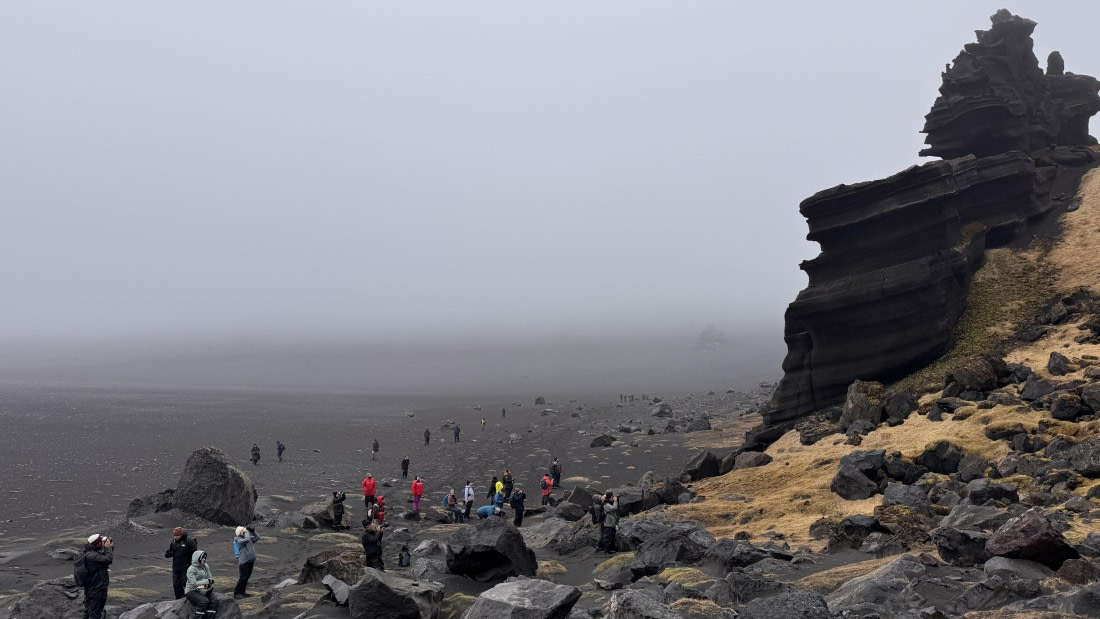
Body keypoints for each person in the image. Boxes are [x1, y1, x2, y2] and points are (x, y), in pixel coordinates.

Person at [81, 534, 113, 619]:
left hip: (91, 588)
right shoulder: (92, 556)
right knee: (95, 614)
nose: (103, 542)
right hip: (97, 589)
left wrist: (109, 547)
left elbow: (104, 556)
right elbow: (108, 559)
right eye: (101, 541)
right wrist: (108, 548)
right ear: (97, 543)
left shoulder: (89, 553)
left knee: (89, 612)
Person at [164, 526, 199, 599]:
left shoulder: (189, 541)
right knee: (176, 585)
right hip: (176, 567)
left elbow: (195, 553)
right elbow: (172, 552)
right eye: (174, 535)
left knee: (186, 583)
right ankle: (179, 601)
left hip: (187, 567)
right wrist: (168, 554)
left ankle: (191, 599)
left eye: (177, 535)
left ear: (182, 534)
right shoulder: (173, 542)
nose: (176, 537)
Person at [184, 550, 218, 617]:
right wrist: (207, 581)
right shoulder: (191, 569)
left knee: (214, 601)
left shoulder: (205, 566)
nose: (204, 559)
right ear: (198, 559)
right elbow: (193, 583)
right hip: (191, 590)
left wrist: (208, 583)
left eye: (205, 558)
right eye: (202, 558)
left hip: (203, 589)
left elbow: (210, 578)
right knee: (204, 601)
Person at [232, 525, 260, 599]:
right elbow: (247, 539)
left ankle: (242, 592)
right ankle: (236, 593)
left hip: (250, 561)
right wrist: (247, 531)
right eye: (242, 531)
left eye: (243, 530)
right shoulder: (239, 540)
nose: (243, 531)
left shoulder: (248, 538)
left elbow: (258, 537)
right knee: (243, 578)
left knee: (246, 577)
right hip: (244, 562)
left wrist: (253, 531)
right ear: (238, 533)